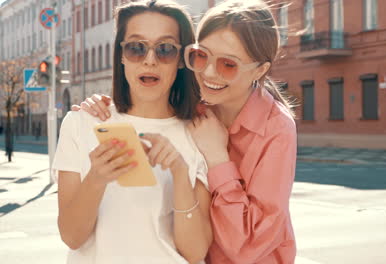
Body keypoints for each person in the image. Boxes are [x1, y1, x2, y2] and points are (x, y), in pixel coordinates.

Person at [74, 0, 297, 263]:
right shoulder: (194, 106)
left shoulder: (276, 128)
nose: (208, 73)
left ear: (259, 70)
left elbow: (248, 246)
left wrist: (217, 159)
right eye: (201, 56)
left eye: (228, 64)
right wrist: (107, 107)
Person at [53, 1, 212, 263]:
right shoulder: (80, 123)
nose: (150, 60)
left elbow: (195, 253)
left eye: (165, 49)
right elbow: (71, 237)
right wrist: (96, 178)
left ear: (182, 60)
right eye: (136, 48)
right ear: (121, 55)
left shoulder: (199, 132)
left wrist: (181, 174)